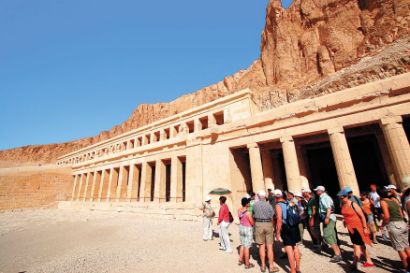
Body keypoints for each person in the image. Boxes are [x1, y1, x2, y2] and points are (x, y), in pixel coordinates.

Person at [338, 188, 375, 270]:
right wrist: (345, 220)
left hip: (357, 227)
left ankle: (354, 264)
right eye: (340, 197)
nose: (341, 198)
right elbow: (345, 214)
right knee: (361, 245)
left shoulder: (353, 204)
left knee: (356, 246)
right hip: (350, 228)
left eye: (342, 197)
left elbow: (362, 216)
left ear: (346, 196)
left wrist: (365, 227)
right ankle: (369, 261)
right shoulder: (343, 204)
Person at [380, 188, 410, 271]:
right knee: (407, 247)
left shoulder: (383, 202)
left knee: (400, 249)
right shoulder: (394, 200)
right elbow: (401, 213)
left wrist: (382, 225)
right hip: (402, 223)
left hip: (394, 225)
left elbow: (387, 216)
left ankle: (407, 269)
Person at [275, 189, 301, 273]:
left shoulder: (278, 205)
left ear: (276, 197)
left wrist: (278, 232)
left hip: (286, 227)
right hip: (294, 226)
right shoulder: (289, 202)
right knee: (295, 247)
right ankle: (298, 268)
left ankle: (292, 270)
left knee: (289, 249)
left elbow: (279, 219)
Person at [253, 190, 279, 272]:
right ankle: (271, 266)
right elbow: (272, 216)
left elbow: (253, 214)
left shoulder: (255, 205)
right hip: (268, 224)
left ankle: (263, 266)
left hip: (258, 224)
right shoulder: (269, 205)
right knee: (269, 246)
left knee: (261, 246)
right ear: (265, 196)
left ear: (258, 196)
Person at [314, 185, 342, 262]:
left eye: (317, 190)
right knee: (331, 235)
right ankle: (338, 252)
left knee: (327, 235)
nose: (316, 192)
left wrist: (327, 217)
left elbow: (329, 208)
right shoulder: (323, 197)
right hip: (328, 217)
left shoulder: (325, 197)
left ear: (320, 191)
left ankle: (337, 254)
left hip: (328, 217)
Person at [238, 197, 255, 269]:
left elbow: (240, 218)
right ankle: (247, 263)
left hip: (241, 227)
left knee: (242, 244)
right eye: (248, 202)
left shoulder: (239, 210)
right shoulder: (248, 213)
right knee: (247, 246)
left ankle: (240, 260)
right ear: (247, 204)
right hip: (247, 228)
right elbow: (252, 222)